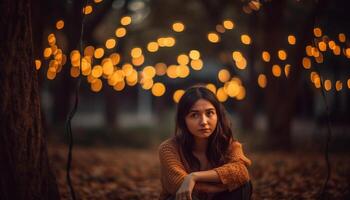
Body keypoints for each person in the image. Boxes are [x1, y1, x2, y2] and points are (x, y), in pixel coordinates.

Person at [158, 85, 252, 200]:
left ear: (218, 115)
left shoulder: (229, 145)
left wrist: (193, 177)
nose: (203, 122)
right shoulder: (168, 148)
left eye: (209, 113)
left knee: (244, 186)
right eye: (194, 115)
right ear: (183, 120)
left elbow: (241, 172)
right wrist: (223, 185)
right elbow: (180, 185)